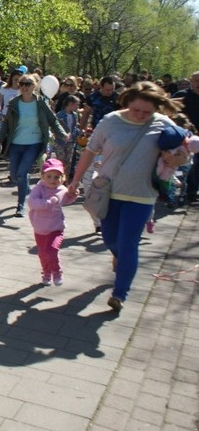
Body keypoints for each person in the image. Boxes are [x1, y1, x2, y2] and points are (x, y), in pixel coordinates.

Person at [68, 82, 183, 312]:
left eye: (147, 112)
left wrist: (177, 160)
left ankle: (120, 293)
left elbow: (184, 154)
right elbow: (90, 151)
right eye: (136, 110)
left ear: (156, 108)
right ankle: (118, 258)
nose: (141, 115)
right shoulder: (111, 121)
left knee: (129, 244)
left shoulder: (164, 124)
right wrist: (74, 182)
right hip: (108, 192)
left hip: (142, 195)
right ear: (127, 102)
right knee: (111, 239)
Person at [0, 75, 68, 217]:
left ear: (34, 86)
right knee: (15, 176)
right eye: (22, 84)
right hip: (15, 143)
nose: (24, 86)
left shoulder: (40, 103)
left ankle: (20, 206)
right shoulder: (13, 102)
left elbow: (53, 120)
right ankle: (25, 183)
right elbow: (6, 123)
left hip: (33, 143)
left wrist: (62, 133)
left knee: (21, 173)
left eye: (27, 84)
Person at [28, 158, 77, 286]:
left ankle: (57, 272)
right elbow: (32, 203)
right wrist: (48, 202)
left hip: (56, 228)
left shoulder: (62, 189)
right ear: (42, 176)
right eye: (49, 176)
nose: (53, 180)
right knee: (43, 254)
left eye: (57, 177)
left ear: (63, 178)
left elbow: (66, 200)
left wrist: (73, 195)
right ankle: (46, 273)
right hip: (39, 227)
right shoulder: (39, 188)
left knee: (52, 250)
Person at [53, 95, 81, 179]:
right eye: (76, 104)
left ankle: (66, 179)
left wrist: (78, 133)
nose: (77, 106)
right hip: (60, 141)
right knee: (61, 160)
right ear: (71, 104)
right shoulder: (60, 114)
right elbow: (56, 127)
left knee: (68, 161)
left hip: (71, 141)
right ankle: (59, 177)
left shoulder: (75, 115)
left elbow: (74, 127)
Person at [182, 71, 199, 203]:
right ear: (191, 81)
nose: (198, 84)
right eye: (196, 81)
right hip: (190, 137)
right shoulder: (183, 97)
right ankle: (190, 192)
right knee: (192, 165)